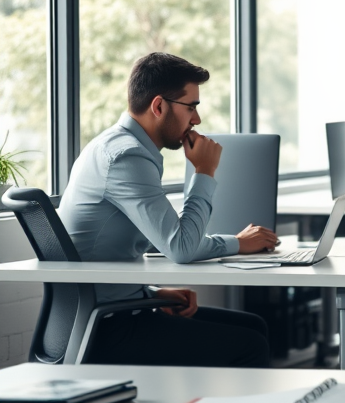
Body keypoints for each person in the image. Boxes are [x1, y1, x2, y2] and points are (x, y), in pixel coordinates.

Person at [59, 52, 277, 369]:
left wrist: (152, 294)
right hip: (104, 328)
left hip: (107, 312)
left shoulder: (117, 145)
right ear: (159, 106)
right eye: (191, 107)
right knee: (250, 344)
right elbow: (181, 247)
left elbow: (159, 241)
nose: (197, 120)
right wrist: (204, 171)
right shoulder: (126, 156)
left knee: (254, 326)